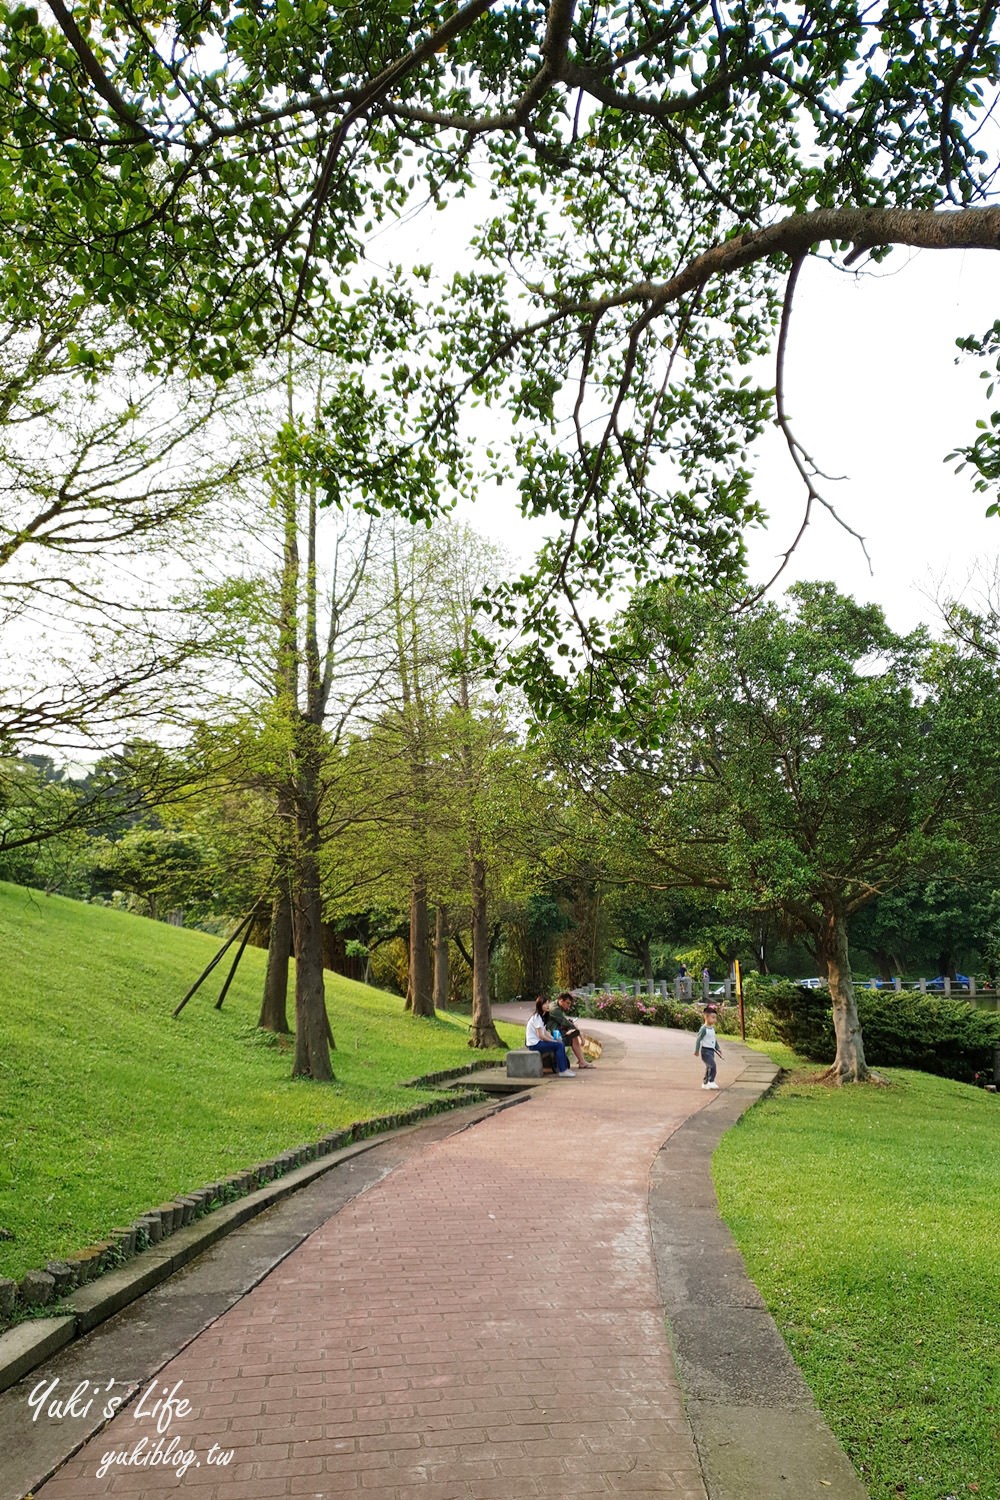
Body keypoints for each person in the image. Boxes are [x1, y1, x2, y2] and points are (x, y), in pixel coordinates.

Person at [525, 997, 576, 1077]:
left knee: (560, 1043)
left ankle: (565, 1069)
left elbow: (545, 1032)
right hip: (534, 1045)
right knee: (559, 1045)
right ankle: (563, 1070)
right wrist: (553, 1041)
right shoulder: (537, 1017)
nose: (548, 1005)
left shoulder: (542, 1017)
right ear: (540, 1005)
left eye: (548, 1003)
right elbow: (541, 1036)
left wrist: (554, 1039)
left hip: (538, 1043)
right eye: (545, 1003)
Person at [552, 992, 592, 1068]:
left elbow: (564, 1022)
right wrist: (581, 1037)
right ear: (561, 1000)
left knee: (573, 1034)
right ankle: (582, 1062)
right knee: (574, 1034)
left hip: (556, 1031)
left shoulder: (557, 1006)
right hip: (553, 1034)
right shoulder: (555, 1009)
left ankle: (582, 1062)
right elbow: (565, 1023)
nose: (568, 1006)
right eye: (567, 1003)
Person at [694, 1006, 723, 1089]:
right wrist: (696, 1050)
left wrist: (718, 1048)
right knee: (712, 1066)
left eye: (715, 1018)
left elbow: (714, 1039)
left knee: (708, 1067)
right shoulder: (703, 1029)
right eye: (713, 1017)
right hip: (705, 1051)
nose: (714, 1020)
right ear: (706, 1017)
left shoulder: (712, 1029)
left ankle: (705, 1083)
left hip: (711, 1051)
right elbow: (698, 1039)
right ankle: (711, 1081)